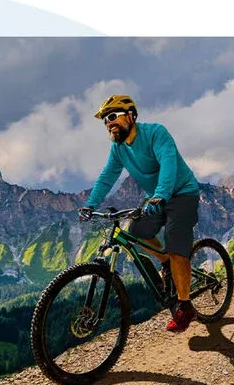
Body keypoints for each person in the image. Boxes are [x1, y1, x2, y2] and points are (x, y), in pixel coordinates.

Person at [79, 95, 200, 332]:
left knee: (176, 245)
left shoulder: (156, 133)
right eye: (105, 120)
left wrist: (161, 195)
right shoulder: (118, 148)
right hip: (156, 196)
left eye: (113, 116)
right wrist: (90, 205)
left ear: (131, 116)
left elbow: (168, 164)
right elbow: (107, 177)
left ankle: (185, 306)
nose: (109, 123)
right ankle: (166, 264)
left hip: (182, 193)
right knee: (135, 231)